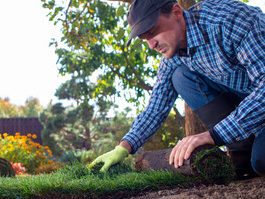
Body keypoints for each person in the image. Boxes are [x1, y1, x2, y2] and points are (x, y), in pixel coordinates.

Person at [89, 0, 265, 177]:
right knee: (180, 76)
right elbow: (155, 108)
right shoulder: (172, 56)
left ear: (176, 12)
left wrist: (213, 135)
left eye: (153, 32)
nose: (151, 45)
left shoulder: (230, 21)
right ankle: (241, 153)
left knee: (262, 161)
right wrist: (123, 147)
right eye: (144, 38)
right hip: (247, 96)